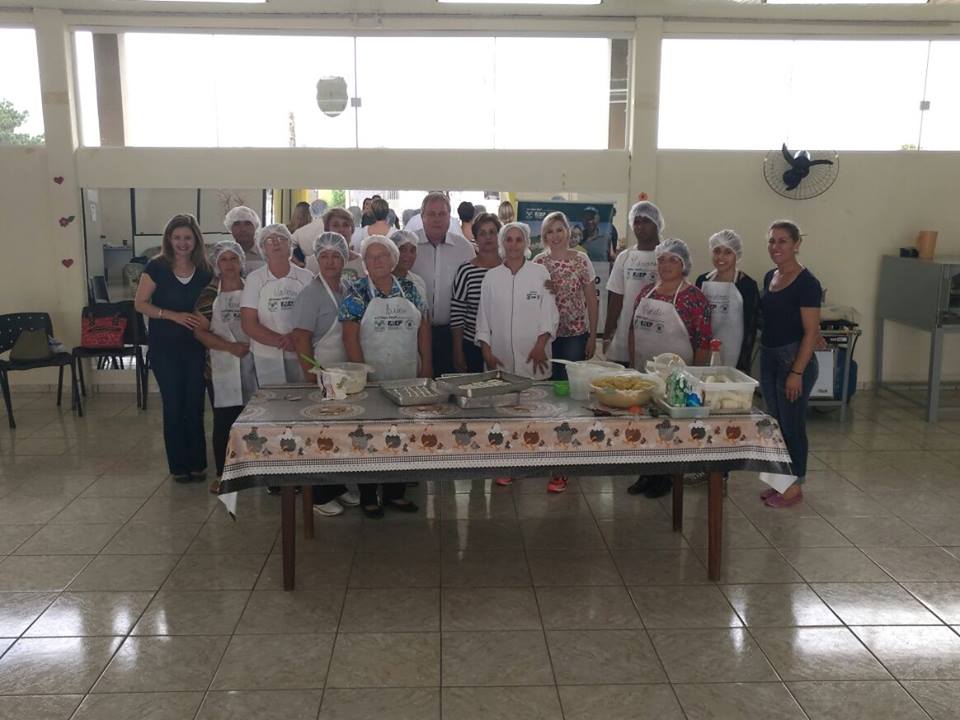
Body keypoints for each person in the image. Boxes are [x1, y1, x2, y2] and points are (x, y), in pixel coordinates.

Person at [339, 235, 431, 518]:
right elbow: (350, 336)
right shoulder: (357, 292)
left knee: (402, 434)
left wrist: (426, 365)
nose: (376, 261)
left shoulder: (410, 289)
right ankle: (369, 494)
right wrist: (360, 374)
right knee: (368, 435)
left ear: (393, 259)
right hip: (371, 375)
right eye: (370, 257)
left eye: (382, 256)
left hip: (406, 372)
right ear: (364, 263)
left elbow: (423, 328)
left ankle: (395, 493)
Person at [476, 222, 561, 491]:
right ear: (503, 244)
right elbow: (483, 317)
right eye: (509, 240)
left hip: (535, 358)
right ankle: (509, 466)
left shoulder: (540, 273)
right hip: (501, 362)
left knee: (540, 417)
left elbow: (550, 310)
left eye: (518, 239)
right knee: (506, 417)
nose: (513, 245)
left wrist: (541, 344)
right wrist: (487, 351)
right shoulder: (491, 277)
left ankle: (553, 470)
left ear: (526, 243)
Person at [627, 238, 713, 499]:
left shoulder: (694, 298)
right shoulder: (646, 292)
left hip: (678, 377)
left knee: (669, 427)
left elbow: (703, 340)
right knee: (645, 424)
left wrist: (694, 376)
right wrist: (633, 366)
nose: (665, 264)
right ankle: (647, 473)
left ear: (684, 264)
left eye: (672, 259)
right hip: (645, 372)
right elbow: (632, 329)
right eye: (661, 259)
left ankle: (666, 476)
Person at [134, 214, 213, 483]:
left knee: (194, 406)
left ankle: (197, 464)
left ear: (195, 240)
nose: (182, 242)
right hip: (164, 348)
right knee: (174, 406)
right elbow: (140, 303)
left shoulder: (204, 270)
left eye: (187, 238)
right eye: (177, 237)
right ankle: (178, 466)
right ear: (169, 239)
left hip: (195, 347)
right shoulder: (156, 267)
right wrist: (172, 315)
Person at [290, 231, 361, 517]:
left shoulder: (346, 288)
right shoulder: (311, 293)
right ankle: (318, 495)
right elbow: (301, 338)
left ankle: (338, 486)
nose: (331, 261)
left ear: (344, 259)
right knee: (321, 435)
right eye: (325, 256)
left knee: (341, 433)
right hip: (320, 373)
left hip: (345, 374)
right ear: (316, 259)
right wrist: (312, 375)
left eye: (336, 255)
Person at [758, 220, 821, 509]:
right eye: (772, 241)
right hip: (770, 357)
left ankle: (794, 488)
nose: (776, 247)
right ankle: (782, 483)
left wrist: (796, 372)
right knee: (776, 424)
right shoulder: (769, 276)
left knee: (792, 426)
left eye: (782, 241)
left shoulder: (807, 283)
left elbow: (810, 332)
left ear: (797, 244)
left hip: (793, 362)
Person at [193, 241, 257, 493]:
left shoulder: (253, 289)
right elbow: (199, 332)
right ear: (216, 264)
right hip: (219, 368)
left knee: (254, 422)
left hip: (254, 364)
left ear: (241, 261)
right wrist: (229, 347)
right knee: (224, 423)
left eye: (234, 259)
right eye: (224, 260)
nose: (229, 264)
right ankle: (224, 474)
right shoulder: (208, 295)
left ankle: (255, 472)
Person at [410, 192, 476, 376]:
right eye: (431, 214)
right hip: (413, 333)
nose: (437, 219)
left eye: (442, 214)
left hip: (452, 334)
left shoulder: (464, 249)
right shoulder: (408, 246)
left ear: (450, 217)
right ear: (422, 217)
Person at [240, 223, 314, 386]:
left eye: (281, 238)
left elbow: (314, 317)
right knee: (272, 405)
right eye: (269, 239)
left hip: (302, 352)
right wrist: (281, 341)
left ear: (290, 245)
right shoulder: (255, 279)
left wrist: (295, 341)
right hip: (266, 355)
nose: (275, 242)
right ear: (262, 247)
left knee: (303, 400)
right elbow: (248, 323)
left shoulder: (307, 277)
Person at [533, 211, 598, 379]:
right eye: (550, 231)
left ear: (568, 231)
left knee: (570, 381)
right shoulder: (539, 262)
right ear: (544, 236)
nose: (555, 236)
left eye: (559, 230)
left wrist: (592, 337)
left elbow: (592, 300)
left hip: (575, 334)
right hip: (546, 334)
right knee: (547, 380)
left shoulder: (581, 260)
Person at [603, 201, 664, 365]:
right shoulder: (625, 257)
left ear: (657, 223)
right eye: (636, 222)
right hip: (624, 333)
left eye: (646, 221)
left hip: (660, 333)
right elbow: (616, 297)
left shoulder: (668, 257)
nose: (640, 227)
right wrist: (608, 334)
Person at [694, 229, 760, 372]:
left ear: (737, 255)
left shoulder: (747, 285)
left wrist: (743, 364)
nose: (721, 257)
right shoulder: (702, 280)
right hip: (704, 349)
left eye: (727, 252)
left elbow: (751, 327)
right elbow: (695, 320)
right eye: (717, 251)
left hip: (734, 352)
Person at [451, 213, 502, 373]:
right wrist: (458, 351)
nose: (488, 237)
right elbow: (457, 313)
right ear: (476, 238)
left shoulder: (509, 268)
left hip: (504, 344)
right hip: (472, 344)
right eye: (482, 233)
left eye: (492, 232)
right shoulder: (466, 270)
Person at [320, 208, 366, 285]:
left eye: (346, 225)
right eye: (335, 225)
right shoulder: (315, 262)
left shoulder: (363, 262)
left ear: (352, 230)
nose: (341, 229)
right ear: (327, 230)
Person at [390, 230, 429, 311]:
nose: (408, 255)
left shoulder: (418, 282)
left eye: (412, 251)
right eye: (402, 250)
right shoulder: (381, 281)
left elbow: (425, 316)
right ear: (392, 251)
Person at [223, 205, 264, 274]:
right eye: (237, 224)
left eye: (247, 224)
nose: (242, 229)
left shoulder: (266, 253)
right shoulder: (224, 256)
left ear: (255, 227)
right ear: (230, 228)